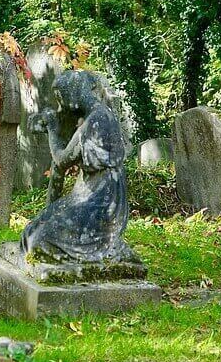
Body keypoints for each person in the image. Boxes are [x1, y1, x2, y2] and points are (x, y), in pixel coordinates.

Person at [21, 71, 138, 265]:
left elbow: (61, 160)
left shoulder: (96, 121)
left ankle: (102, 252)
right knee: (32, 230)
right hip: (85, 193)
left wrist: (52, 129)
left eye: (60, 97)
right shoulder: (93, 117)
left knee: (39, 239)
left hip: (101, 200)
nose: (60, 105)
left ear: (72, 94)